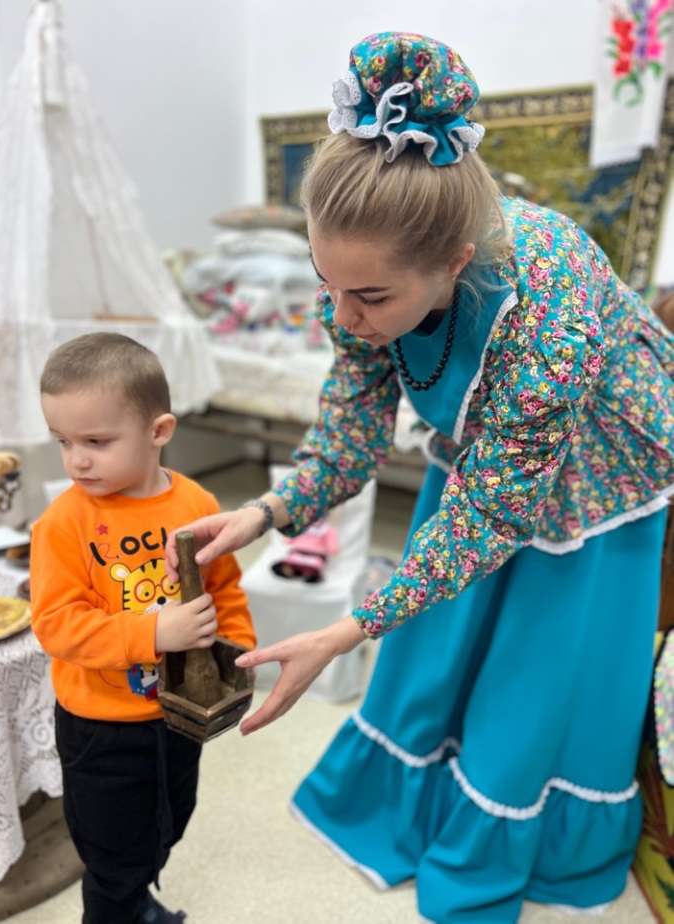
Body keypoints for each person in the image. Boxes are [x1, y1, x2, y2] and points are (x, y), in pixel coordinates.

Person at [165, 32, 674, 923]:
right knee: (439, 642)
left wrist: (348, 629)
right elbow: (353, 425)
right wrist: (269, 511)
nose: (344, 316)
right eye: (328, 284)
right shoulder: (359, 282)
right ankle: (409, 802)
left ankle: (514, 839)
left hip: (600, 471)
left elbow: (490, 516)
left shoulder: (547, 314)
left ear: (454, 264)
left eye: (370, 300)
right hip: (489, 449)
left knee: (536, 668)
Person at [31, 333, 256, 924]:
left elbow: (225, 588)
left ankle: (137, 900)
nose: (77, 460)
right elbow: (56, 625)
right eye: (63, 442)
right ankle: (121, 906)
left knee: (168, 820)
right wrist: (152, 634)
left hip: (179, 715)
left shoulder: (196, 504)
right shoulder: (62, 525)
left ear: (159, 431)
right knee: (111, 854)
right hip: (101, 727)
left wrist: (237, 651)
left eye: (96, 441)